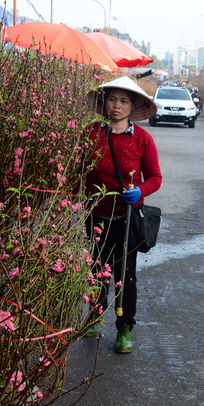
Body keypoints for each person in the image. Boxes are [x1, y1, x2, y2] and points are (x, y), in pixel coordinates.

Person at [85, 76, 162, 354]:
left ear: (133, 106)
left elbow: (155, 178)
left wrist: (139, 191)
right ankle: (94, 316)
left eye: (124, 100)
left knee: (125, 276)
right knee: (96, 270)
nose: (116, 106)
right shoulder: (91, 133)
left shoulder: (143, 139)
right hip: (96, 217)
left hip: (128, 219)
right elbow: (77, 170)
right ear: (105, 102)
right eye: (112, 99)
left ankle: (124, 328)